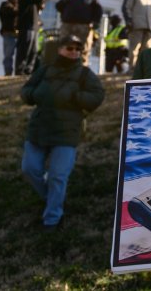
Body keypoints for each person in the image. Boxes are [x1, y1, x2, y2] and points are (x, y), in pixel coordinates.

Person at [20, 34, 104, 230]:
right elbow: (26, 90)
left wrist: (76, 97)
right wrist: (34, 94)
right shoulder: (45, 70)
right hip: (39, 129)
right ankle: (52, 198)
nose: (73, 52)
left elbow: (98, 95)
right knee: (29, 169)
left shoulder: (84, 74)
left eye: (77, 49)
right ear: (59, 49)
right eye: (69, 48)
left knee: (58, 175)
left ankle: (52, 219)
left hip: (67, 133)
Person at [55, 0, 103, 66]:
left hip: (84, 26)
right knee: (65, 45)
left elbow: (98, 10)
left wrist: (95, 22)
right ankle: (63, 65)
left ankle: (82, 66)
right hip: (68, 25)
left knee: (83, 47)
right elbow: (59, 5)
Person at [16, 0, 57, 75]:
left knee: (33, 50)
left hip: (34, 28)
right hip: (26, 28)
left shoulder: (31, 1)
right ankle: (20, 70)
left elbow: (38, 5)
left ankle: (29, 70)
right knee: (24, 50)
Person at [0, 0, 21, 75]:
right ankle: (8, 72)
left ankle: (19, 72)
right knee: (8, 55)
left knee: (20, 55)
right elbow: (9, 12)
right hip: (9, 33)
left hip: (20, 34)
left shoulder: (21, 6)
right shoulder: (6, 4)